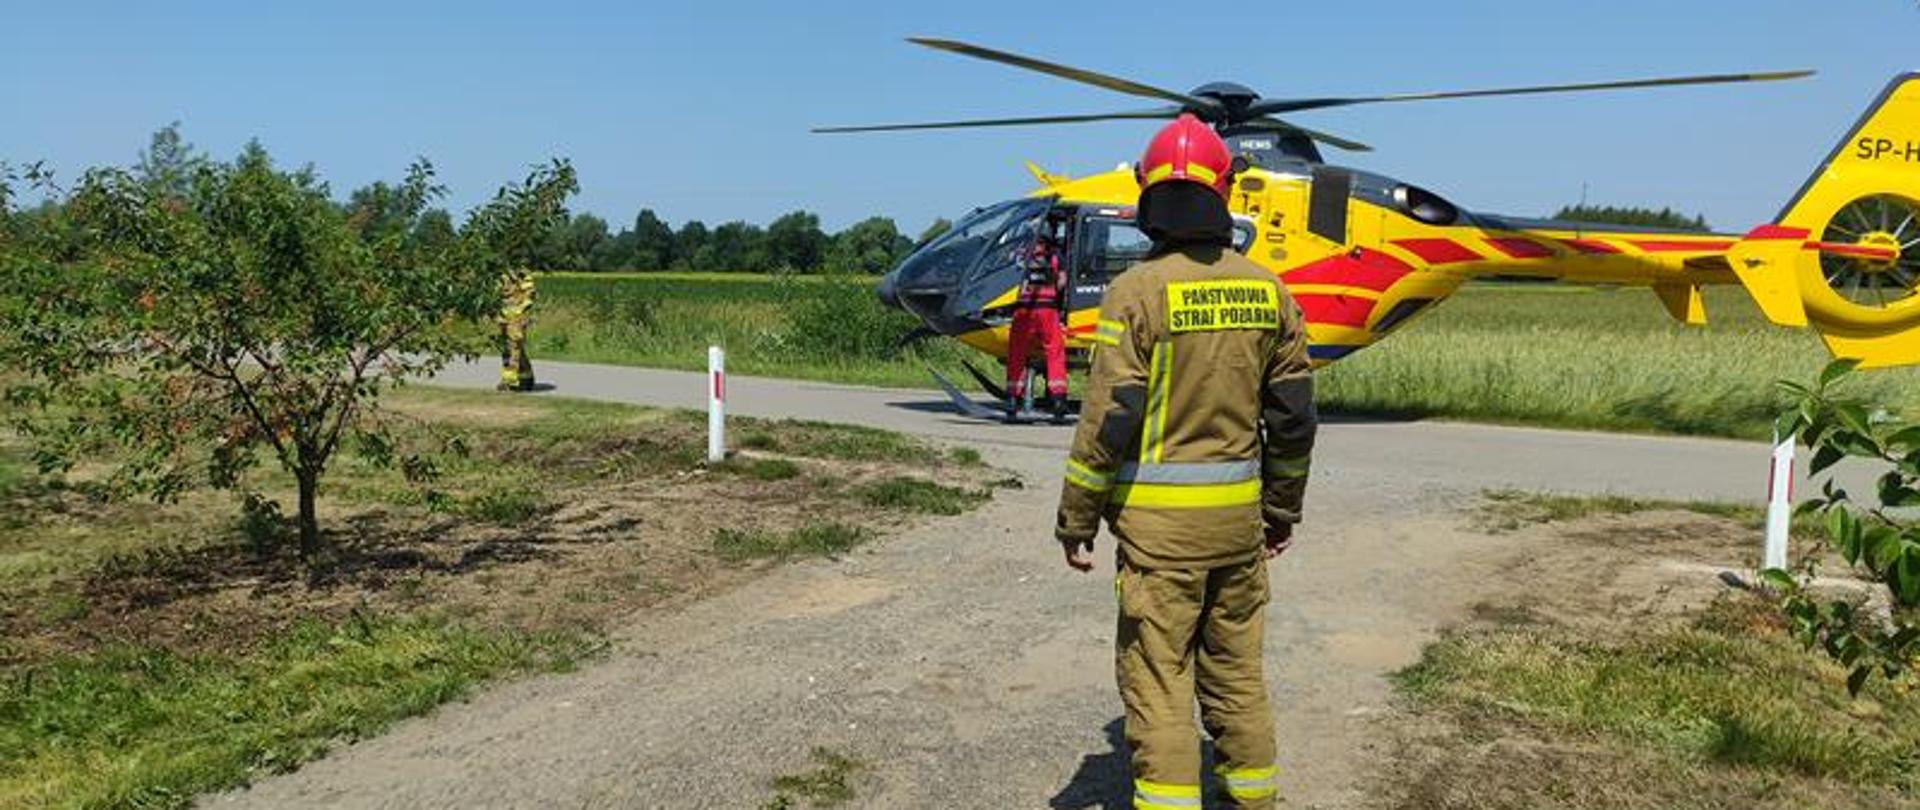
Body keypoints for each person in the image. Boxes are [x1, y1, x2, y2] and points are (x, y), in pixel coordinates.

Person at [1053, 113, 1317, 809]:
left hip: (1159, 540)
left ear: (1148, 196)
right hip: (1237, 532)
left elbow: (1109, 420)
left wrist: (1076, 519)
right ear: (1222, 192)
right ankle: (1253, 798)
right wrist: (1281, 511)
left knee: (1160, 681)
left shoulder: (1136, 293)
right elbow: (1293, 420)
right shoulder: (1270, 291)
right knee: (1236, 675)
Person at [1005, 211, 1071, 422]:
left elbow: (1006, 280)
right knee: (1055, 351)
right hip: (1048, 310)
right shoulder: (1054, 255)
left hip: (1023, 310)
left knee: (1017, 352)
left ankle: (1012, 400)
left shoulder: (1019, 254)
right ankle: (1059, 401)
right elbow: (1062, 281)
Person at [497, 271, 537, 392]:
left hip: (517, 317)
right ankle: (526, 377)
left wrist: (520, 310)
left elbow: (530, 293)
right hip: (503, 317)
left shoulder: (521, 272)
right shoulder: (498, 270)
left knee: (514, 346)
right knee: (507, 348)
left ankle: (510, 382)